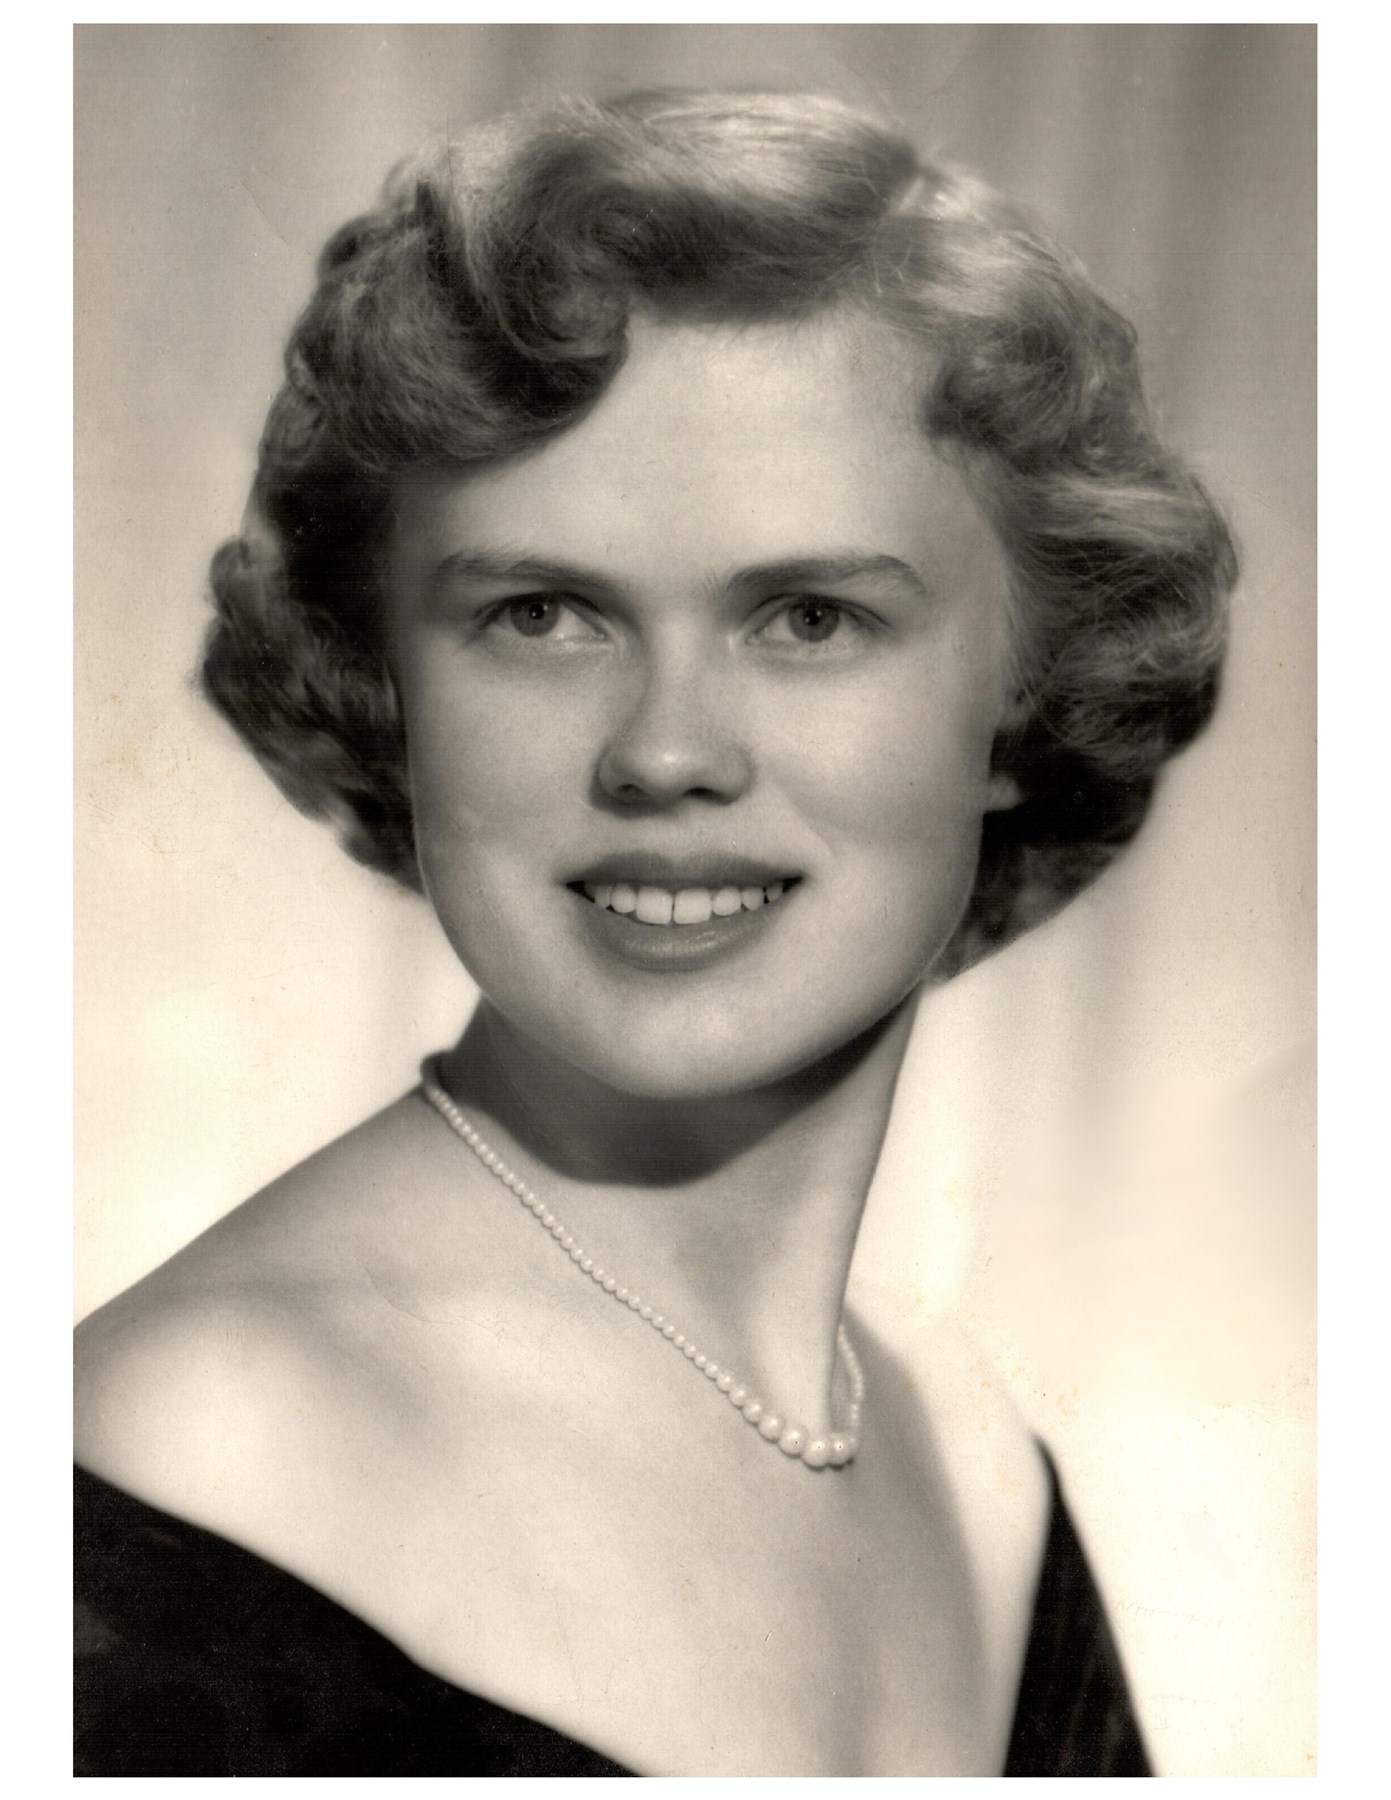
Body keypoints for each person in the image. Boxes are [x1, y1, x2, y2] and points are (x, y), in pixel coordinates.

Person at [73, 88, 1235, 1777]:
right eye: (542, 614)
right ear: (386, 684)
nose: (667, 753)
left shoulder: (974, 1464)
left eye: (810, 618)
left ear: (1027, 694)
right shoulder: (194, 1447)